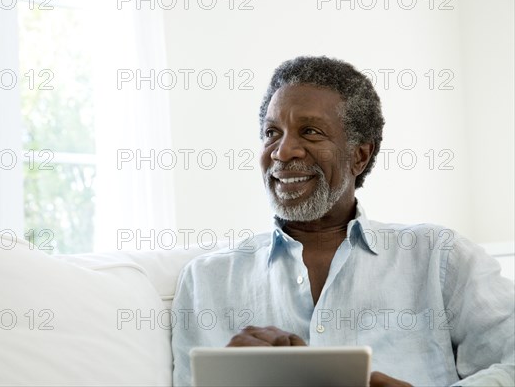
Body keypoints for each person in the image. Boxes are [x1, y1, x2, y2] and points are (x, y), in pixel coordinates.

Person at [171, 56, 515, 386]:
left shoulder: (440, 257)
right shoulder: (206, 281)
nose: (282, 151)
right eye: (272, 132)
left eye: (310, 132)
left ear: (359, 155)